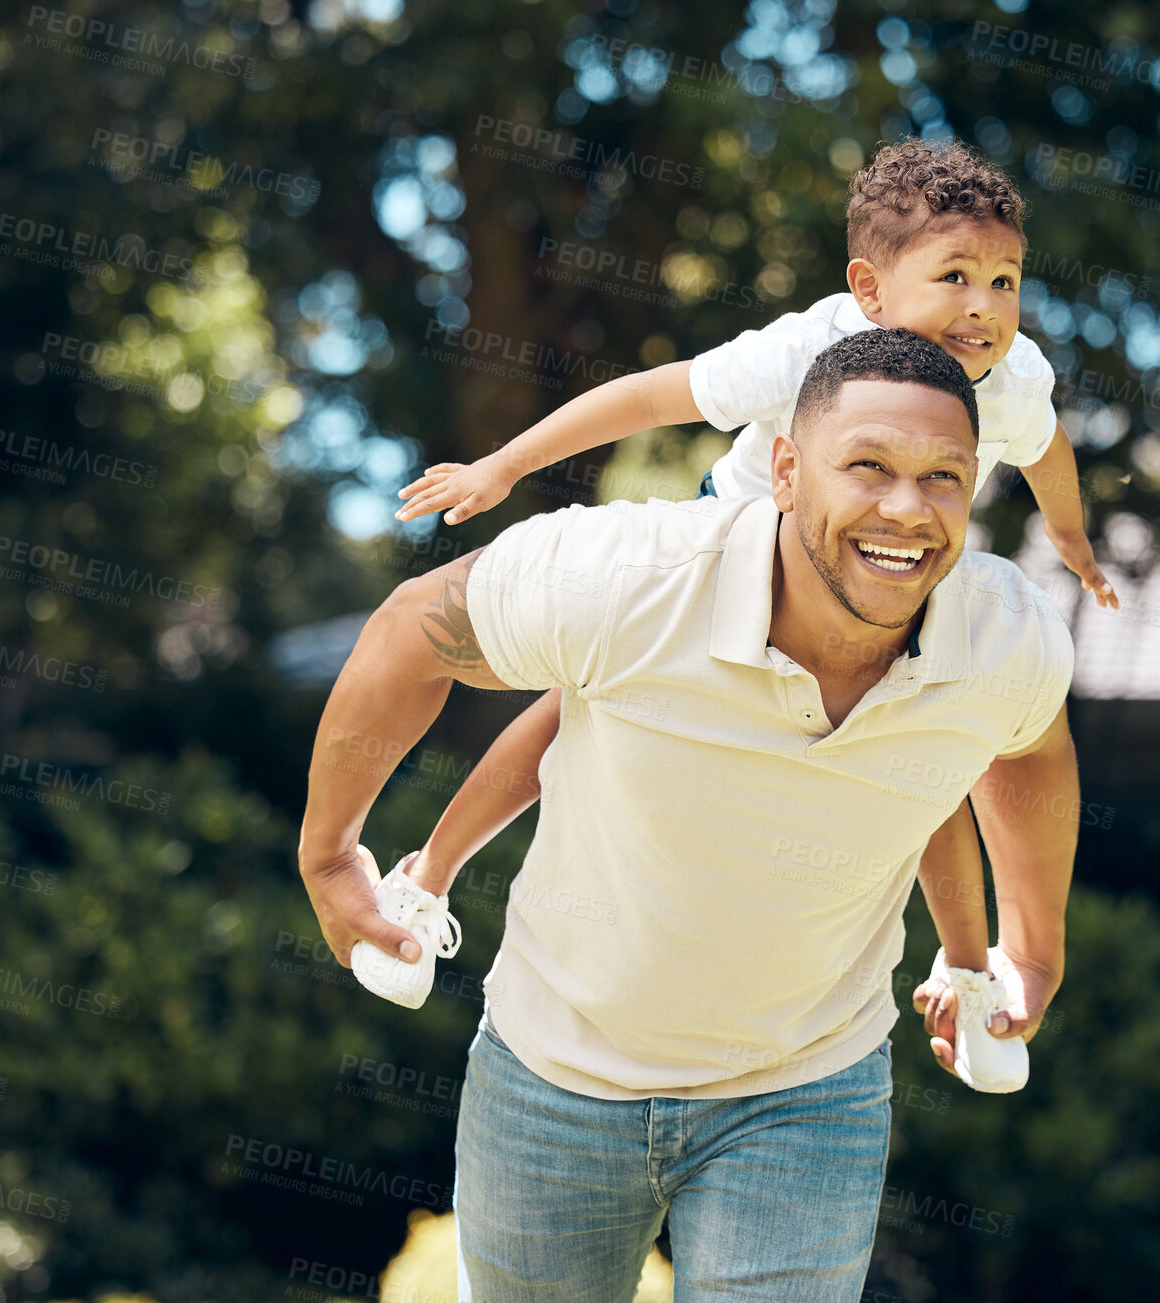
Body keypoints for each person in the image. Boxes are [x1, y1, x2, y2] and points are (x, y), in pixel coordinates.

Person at [298, 328, 1078, 1301]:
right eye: (867, 466)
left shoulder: (1003, 635)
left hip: (804, 1092)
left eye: (942, 479)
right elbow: (413, 627)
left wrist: (1031, 946)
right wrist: (330, 853)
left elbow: (1030, 749)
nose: (906, 509)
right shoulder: (627, 578)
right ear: (785, 470)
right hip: (551, 1076)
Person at [385, 137, 1112, 1088]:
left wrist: (1072, 540)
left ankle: (970, 974)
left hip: (872, 570)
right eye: (957, 275)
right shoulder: (806, 348)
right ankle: (426, 875)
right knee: (574, 707)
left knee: (930, 735)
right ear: (870, 287)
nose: (985, 304)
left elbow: (1049, 449)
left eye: (1007, 281)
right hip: (730, 544)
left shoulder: (1006, 380)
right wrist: (505, 464)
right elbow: (650, 396)